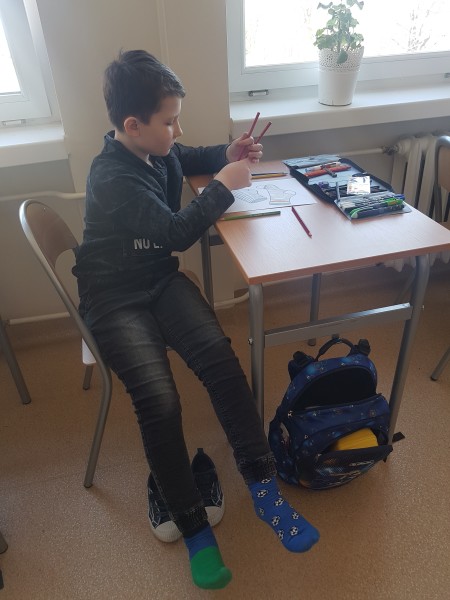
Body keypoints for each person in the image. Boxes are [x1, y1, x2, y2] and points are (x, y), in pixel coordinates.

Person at [73, 49, 319, 590]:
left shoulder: (155, 149)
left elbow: (186, 155)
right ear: (132, 125)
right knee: (159, 400)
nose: (177, 130)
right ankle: (194, 529)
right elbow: (178, 232)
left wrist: (227, 154)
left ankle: (263, 487)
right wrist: (226, 184)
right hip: (113, 296)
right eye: (170, 121)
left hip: (157, 280)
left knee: (222, 365)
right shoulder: (111, 176)